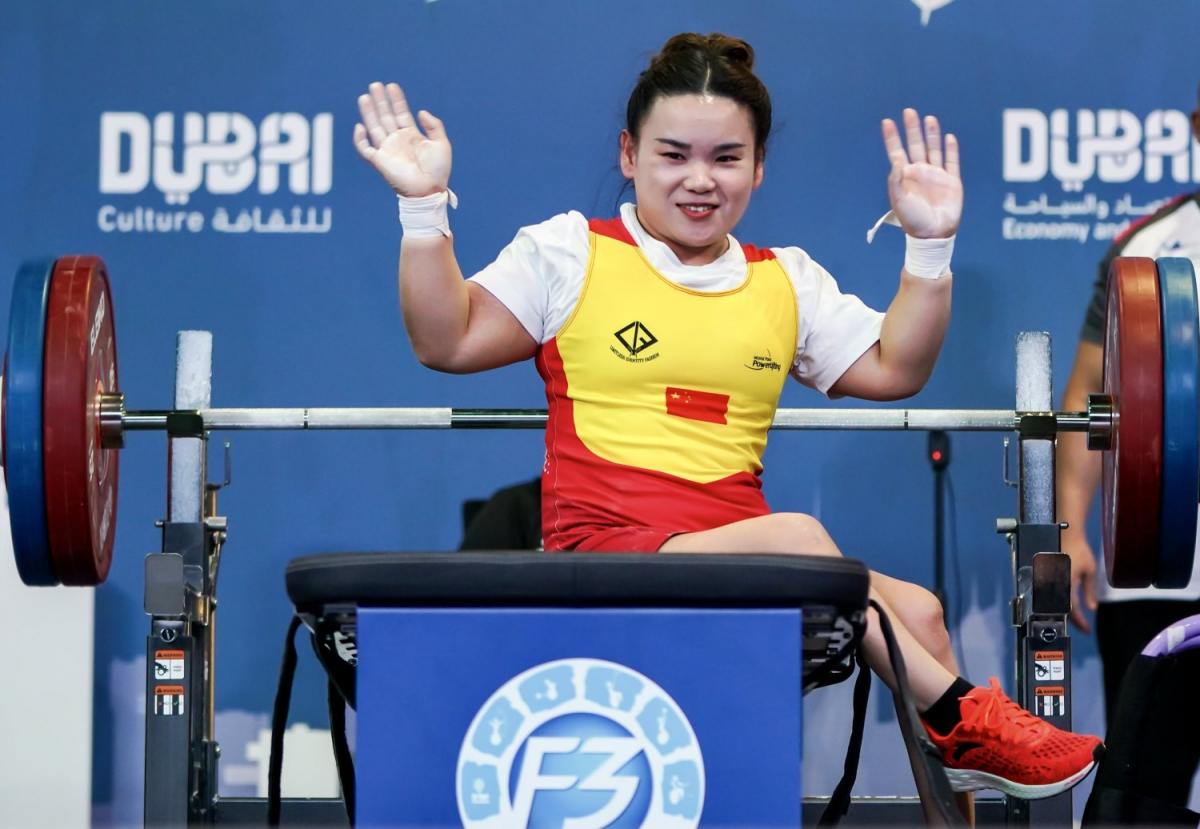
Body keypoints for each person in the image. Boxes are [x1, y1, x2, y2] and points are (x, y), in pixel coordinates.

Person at [355, 32, 1101, 800]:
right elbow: (444, 339)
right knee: (803, 540)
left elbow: (895, 367)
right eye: (673, 155)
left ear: (759, 165)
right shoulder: (569, 251)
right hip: (605, 552)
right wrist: (420, 207)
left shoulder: (787, 282)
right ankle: (964, 715)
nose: (699, 180)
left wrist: (930, 247)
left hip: (739, 553)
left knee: (921, 611)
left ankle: (959, 779)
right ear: (627, 154)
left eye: (726, 158)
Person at [1057, 86, 1200, 802]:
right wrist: (1071, 529)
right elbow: (1090, 395)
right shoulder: (1146, 250)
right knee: (1146, 796)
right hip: (1157, 578)